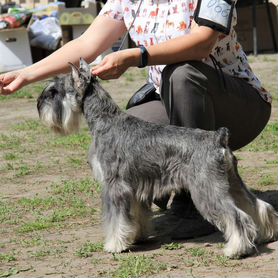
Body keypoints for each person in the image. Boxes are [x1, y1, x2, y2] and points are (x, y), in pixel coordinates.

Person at [0, 0, 272, 238]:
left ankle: (193, 203)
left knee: (182, 74)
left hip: (238, 103)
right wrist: (26, 74)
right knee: (118, 144)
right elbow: (86, 45)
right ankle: (143, 223)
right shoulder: (128, 0)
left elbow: (202, 43)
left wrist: (137, 56)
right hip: (171, 99)